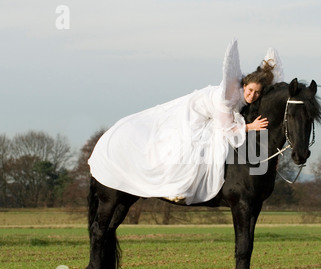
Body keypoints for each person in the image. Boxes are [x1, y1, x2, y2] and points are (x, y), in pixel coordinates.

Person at [88, 40, 284, 204]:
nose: (253, 95)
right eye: (250, 91)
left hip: (211, 114)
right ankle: (177, 187)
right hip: (196, 112)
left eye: (257, 92)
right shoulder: (226, 99)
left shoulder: (244, 97)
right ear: (243, 86)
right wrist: (250, 127)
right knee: (192, 144)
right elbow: (226, 128)